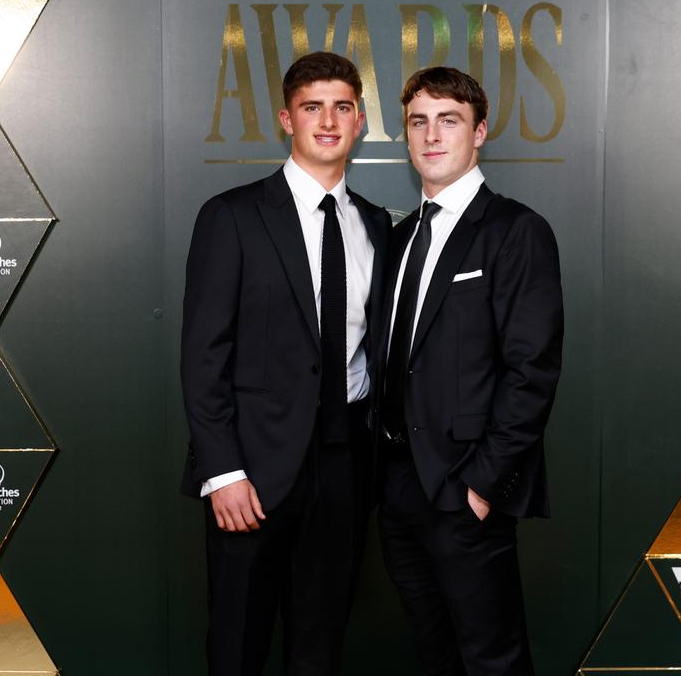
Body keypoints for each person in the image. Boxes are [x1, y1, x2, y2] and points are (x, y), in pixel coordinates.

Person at [180, 51, 391, 675]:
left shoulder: (377, 224)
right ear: (286, 119)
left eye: (342, 107)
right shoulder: (233, 216)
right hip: (252, 474)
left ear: (358, 123)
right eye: (312, 107)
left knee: (319, 648)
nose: (328, 120)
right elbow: (203, 355)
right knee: (238, 646)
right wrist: (222, 472)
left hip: (346, 466)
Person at [377, 66, 563, 675]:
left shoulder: (515, 231)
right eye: (418, 121)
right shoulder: (399, 238)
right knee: (433, 656)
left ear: (478, 132)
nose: (432, 135)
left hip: (464, 489)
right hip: (399, 487)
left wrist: (481, 488)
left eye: (449, 120)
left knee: (492, 660)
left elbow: (530, 373)